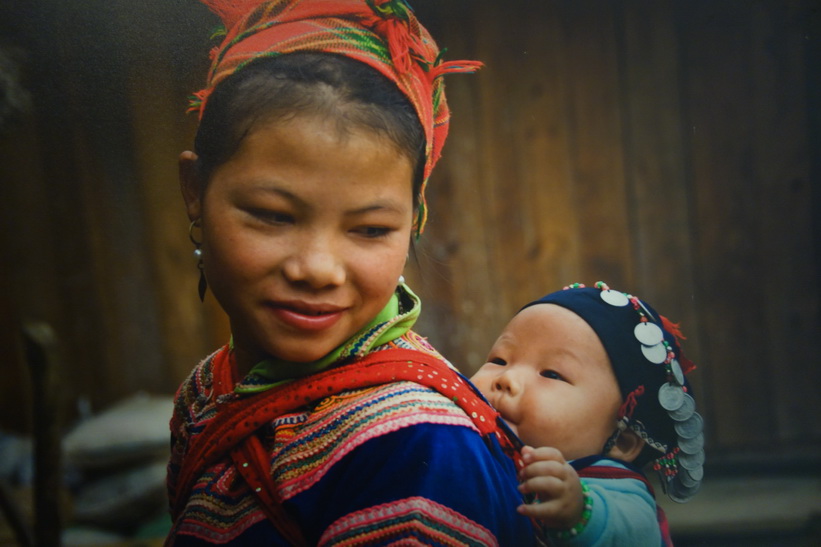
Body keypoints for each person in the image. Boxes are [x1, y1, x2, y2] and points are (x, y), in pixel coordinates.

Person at [165, 0, 536, 545]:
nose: (317, 269)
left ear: (415, 220)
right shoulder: (206, 391)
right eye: (272, 215)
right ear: (194, 190)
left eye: (369, 229)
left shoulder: (416, 444)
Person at [471, 282, 705, 546]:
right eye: (498, 360)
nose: (507, 378)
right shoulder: (477, 452)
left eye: (551, 374)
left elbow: (635, 530)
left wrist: (579, 510)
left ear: (621, 442)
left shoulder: (616, 487)